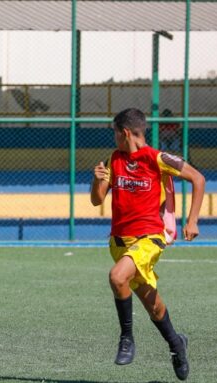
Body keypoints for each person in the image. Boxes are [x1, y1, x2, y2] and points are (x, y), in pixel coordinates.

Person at [90, 108, 205, 381]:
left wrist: (192, 221)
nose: (114, 138)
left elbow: (198, 179)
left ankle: (126, 339)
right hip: (119, 242)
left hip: (149, 238)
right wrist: (98, 179)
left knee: (117, 277)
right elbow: (97, 200)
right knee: (153, 305)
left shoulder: (158, 158)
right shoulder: (112, 160)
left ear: (125, 132)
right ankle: (178, 345)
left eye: (115, 133)